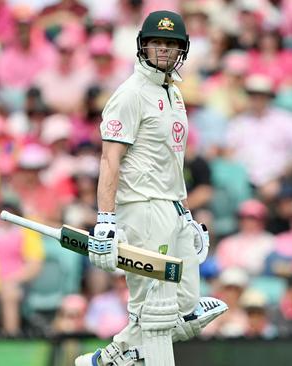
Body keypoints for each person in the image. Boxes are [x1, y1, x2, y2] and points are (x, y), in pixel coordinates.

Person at [75, 11, 227, 366]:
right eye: (157, 43)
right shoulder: (130, 94)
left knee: (185, 309)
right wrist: (107, 220)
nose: (163, 50)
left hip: (173, 208)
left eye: (171, 44)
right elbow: (110, 159)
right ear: (143, 46)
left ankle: (110, 357)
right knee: (153, 309)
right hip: (141, 207)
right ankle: (114, 357)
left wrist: (183, 214)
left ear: (182, 51)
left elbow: (169, 162)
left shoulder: (174, 93)